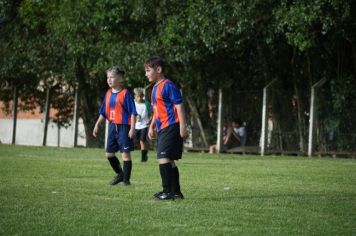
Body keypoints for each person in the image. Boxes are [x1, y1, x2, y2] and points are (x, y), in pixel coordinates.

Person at [144, 56, 186, 200]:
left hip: (171, 126)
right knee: (169, 159)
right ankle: (176, 192)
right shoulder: (155, 87)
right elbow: (157, 109)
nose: (146, 74)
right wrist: (152, 125)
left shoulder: (168, 85)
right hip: (163, 128)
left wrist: (182, 126)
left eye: (148, 70)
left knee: (163, 157)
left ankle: (167, 191)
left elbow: (179, 106)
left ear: (159, 69)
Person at [93, 66, 137, 186]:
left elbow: (133, 112)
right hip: (112, 126)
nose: (109, 80)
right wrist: (97, 124)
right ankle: (121, 174)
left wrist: (132, 128)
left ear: (120, 78)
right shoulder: (108, 93)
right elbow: (104, 112)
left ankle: (126, 181)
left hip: (124, 127)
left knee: (125, 154)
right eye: (108, 77)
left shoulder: (125, 93)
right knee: (109, 154)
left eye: (112, 77)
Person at [133, 87, 152, 162]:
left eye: (141, 96)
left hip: (144, 125)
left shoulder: (146, 104)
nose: (139, 98)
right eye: (138, 96)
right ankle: (145, 152)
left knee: (142, 141)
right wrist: (135, 116)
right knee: (136, 142)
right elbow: (129, 113)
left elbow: (153, 113)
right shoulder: (132, 103)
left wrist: (149, 120)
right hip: (135, 126)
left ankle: (143, 158)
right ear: (135, 96)